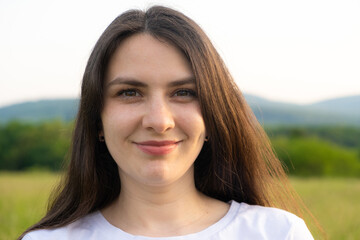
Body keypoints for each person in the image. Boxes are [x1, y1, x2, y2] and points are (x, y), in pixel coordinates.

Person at [19, 5, 315, 240]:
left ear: (212, 116)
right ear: (97, 119)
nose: (159, 121)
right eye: (130, 93)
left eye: (184, 93)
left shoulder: (279, 234)